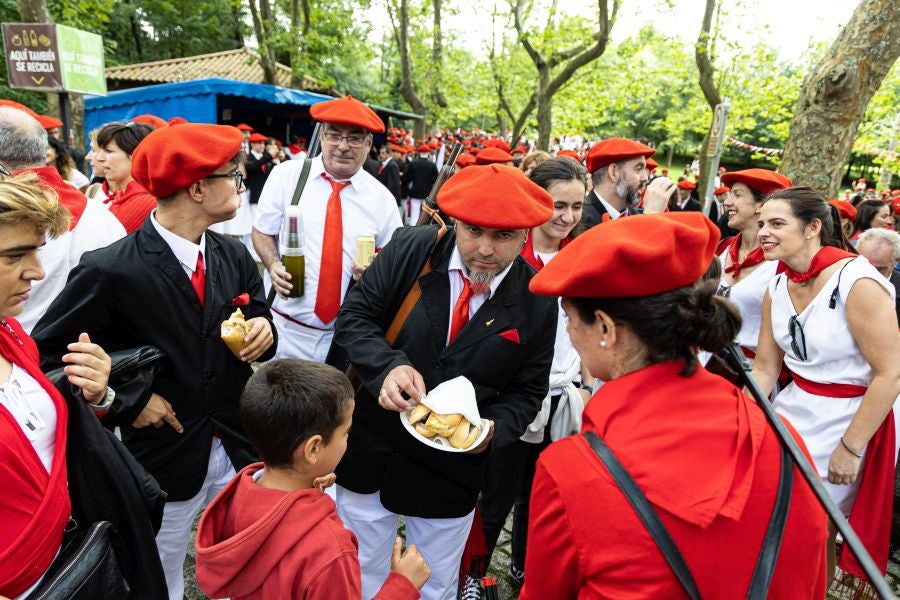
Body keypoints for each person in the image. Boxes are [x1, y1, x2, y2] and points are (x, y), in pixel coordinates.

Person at [521, 211, 829, 598]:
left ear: (605, 328)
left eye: (569, 318)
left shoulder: (573, 470)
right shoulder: (782, 441)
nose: (567, 331)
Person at [32, 123, 278, 599]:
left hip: (235, 440)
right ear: (199, 188)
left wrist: (265, 331)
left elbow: (257, 319)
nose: (241, 186)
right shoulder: (111, 268)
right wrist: (126, 398)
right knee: (160, 570)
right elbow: (50, 354)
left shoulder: (232, 254)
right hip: (163, 451)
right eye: (235, 176)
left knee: (243, 555)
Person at [326, 164, 559, 600]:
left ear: (527, 234)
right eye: (474, 231)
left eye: (503, 236)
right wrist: (387, 366)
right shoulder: (411, 250)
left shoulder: (537, 298)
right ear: (455, 220)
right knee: (358, 571)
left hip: (451, 471)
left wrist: (491, 432)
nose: (485, 249)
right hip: (371, 447)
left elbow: (528, 392)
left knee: (434, 586)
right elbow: (355, 318)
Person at [752, 187, 900, 585]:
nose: (763, 231)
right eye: (762, 222)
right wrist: (743, 421)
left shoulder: (858, 282)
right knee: (765, 523)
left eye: (777, 223)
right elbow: (766, 366)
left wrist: (850, 448)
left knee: (813, 533)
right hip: (791, 411)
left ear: (812, 227)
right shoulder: (776, 285)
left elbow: (891, 373)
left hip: (850, 418)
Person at [195, 359, 430, 599]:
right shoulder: (330, 549)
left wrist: (307, 488)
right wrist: (402, 586)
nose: (348, 438)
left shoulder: (237, 495)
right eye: (346, 432)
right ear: (313, 449)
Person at [478, 158, 594, 586]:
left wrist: (584, 385)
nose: (566, 217)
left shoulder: (582, 256)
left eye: (577, 206)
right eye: (557, 205)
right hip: (512, 396)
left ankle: (527, 567)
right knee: (495, 495)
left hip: (564, 395)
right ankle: (473, 570)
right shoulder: (510, 254)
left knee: (545, 495)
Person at [0, 174, 114, 598]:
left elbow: (40, 441)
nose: (38, 271)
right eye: (16, 256)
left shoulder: (13, 336)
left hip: (60, 562)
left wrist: (98, 396)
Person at [252, 96, 402, 363]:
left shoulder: (382, 200)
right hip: (283, 329)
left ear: (368, 143)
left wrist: (375, 269)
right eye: (334, 135)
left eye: (355, 138)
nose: (343, 146)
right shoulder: (287, 176)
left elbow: (396, 261)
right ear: (321, 136)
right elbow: (262, 231)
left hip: (343, 340)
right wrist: (273, 264)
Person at [0, 106, 126, 333]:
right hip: (89, 353)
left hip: (20, 356)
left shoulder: (8, 219)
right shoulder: (103, 215)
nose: (36, 271)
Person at [716, 168, 792, 361]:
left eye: (737, 194)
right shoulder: (721, 248)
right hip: (706, 362)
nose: (727, 201)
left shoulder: (782, 264)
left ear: (761, 204)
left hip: (750, 372)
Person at [582, 137, 675, 228]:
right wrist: (650, 219)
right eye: (638, 169)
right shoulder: (579, 222)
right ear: (613, 172)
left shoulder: (635, 215)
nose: (646, 178)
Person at [94, 121, 157, 233]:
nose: (99, 158)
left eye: (108, 151)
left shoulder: (145, 202)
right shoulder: (121, 196)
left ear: (135, 155)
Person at [856, 228, 900, 325]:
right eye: (865, 266)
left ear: (896, 261)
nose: (871, 274)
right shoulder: (842, 280)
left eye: (879, 269)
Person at [403, 145, 439, 225]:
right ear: (427, 153)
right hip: (428, 194)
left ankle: (413, 231)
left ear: (419, 153)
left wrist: (408, 188)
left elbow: (406, 177)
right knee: (427, 215)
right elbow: (436, 178)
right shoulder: (432, 165)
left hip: (415, 192)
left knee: (414, 215)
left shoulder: (413, 163)